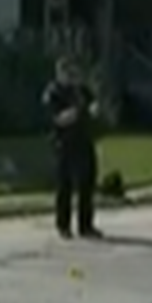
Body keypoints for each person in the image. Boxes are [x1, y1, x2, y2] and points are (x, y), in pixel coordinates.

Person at [43, 56, 101, 240]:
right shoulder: (53, 92)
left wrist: (93, 108)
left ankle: (86, 225)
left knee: (87, 184)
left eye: (72, 72)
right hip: (65, 144)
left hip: (84, 141)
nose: (70, 76)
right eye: (66, 72)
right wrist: (74, 112)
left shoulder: (80, 90)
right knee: (64, 186)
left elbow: (94, 106)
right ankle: (63, 225)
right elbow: (58, 119)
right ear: (58, 73)